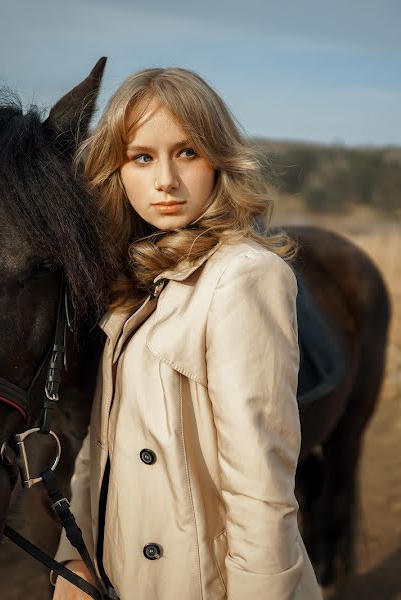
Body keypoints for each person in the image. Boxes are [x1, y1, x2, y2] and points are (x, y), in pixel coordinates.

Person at [51, 67, 322, 600]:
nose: (166, 182)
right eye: (142, 157)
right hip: (116, 572)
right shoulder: (134, 280)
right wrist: (74, 559)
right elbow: (97, 449)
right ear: (117, 169)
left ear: (219, 158)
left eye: (188, 152)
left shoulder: (243, 276)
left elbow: (261, 482)